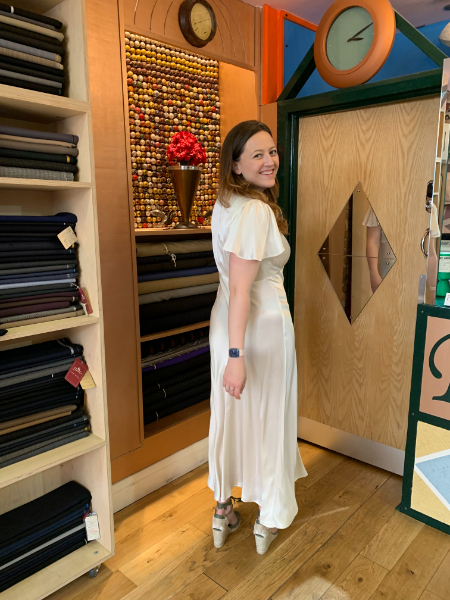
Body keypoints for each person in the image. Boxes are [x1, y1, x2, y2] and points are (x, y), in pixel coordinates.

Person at [207, 120, 307, 555]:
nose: (270, 162)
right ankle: (268, 517)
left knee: (229, 417)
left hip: (226, 324)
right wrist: (237, 356)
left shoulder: (226, 203)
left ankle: (222, 509)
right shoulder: (255, 211)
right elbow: (243, 291)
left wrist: (231, 351)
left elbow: (231, 287)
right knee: (268, 418)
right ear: (236, 164)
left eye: (272, 152)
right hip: (258, 329)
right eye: (257, 155)